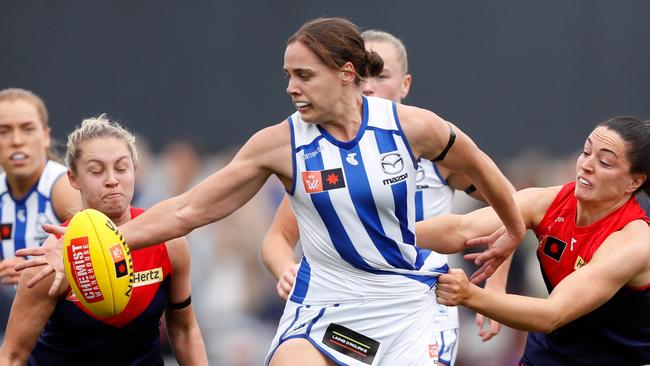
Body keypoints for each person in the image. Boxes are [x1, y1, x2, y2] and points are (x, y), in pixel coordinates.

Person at [18, 18, 525, 365]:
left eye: (304, 75)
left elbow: (487, 174)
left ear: (347, 74)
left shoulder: (414, 128)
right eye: (288, 76)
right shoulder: (279, 145)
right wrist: (92, 247)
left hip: (409, 306)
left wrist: (512, 230)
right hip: (327, 303)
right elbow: (191, 208)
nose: (291, 87)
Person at [260, 29, 512, 366]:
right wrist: (285, 269)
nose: (368, 85)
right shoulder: (323, 155)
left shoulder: (433, 147)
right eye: (364, 74)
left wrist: (497, 286)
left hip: (423, 305)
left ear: (405, 84)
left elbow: (511, 206)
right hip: (352, 310)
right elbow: (278, 237)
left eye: (381, 75)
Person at [415, 116, 650, 365]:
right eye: (586, 151)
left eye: (605, 162)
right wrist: (384, 236)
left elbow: (552, 314)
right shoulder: (548, 202)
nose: (586, 165)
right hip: (547, 356)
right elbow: (461, 229)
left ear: (635, 182)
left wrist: (469, 295)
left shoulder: (633, 242)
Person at [0, 116, 208, 365]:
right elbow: (12, 355)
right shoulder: (52, 259)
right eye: (97, 170)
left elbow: (185, 329)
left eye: (121, 168)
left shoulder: (169, 243)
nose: (112, 179)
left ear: (134, 172)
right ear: (73, 179)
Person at [0, 88, 81, 339]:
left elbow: (101, 249)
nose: (16, 140)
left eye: (27, 129)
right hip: (30, 331)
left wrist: (33, 270)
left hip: (79, 331)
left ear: (45, 137)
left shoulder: (61, 188)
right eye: (4, 131)